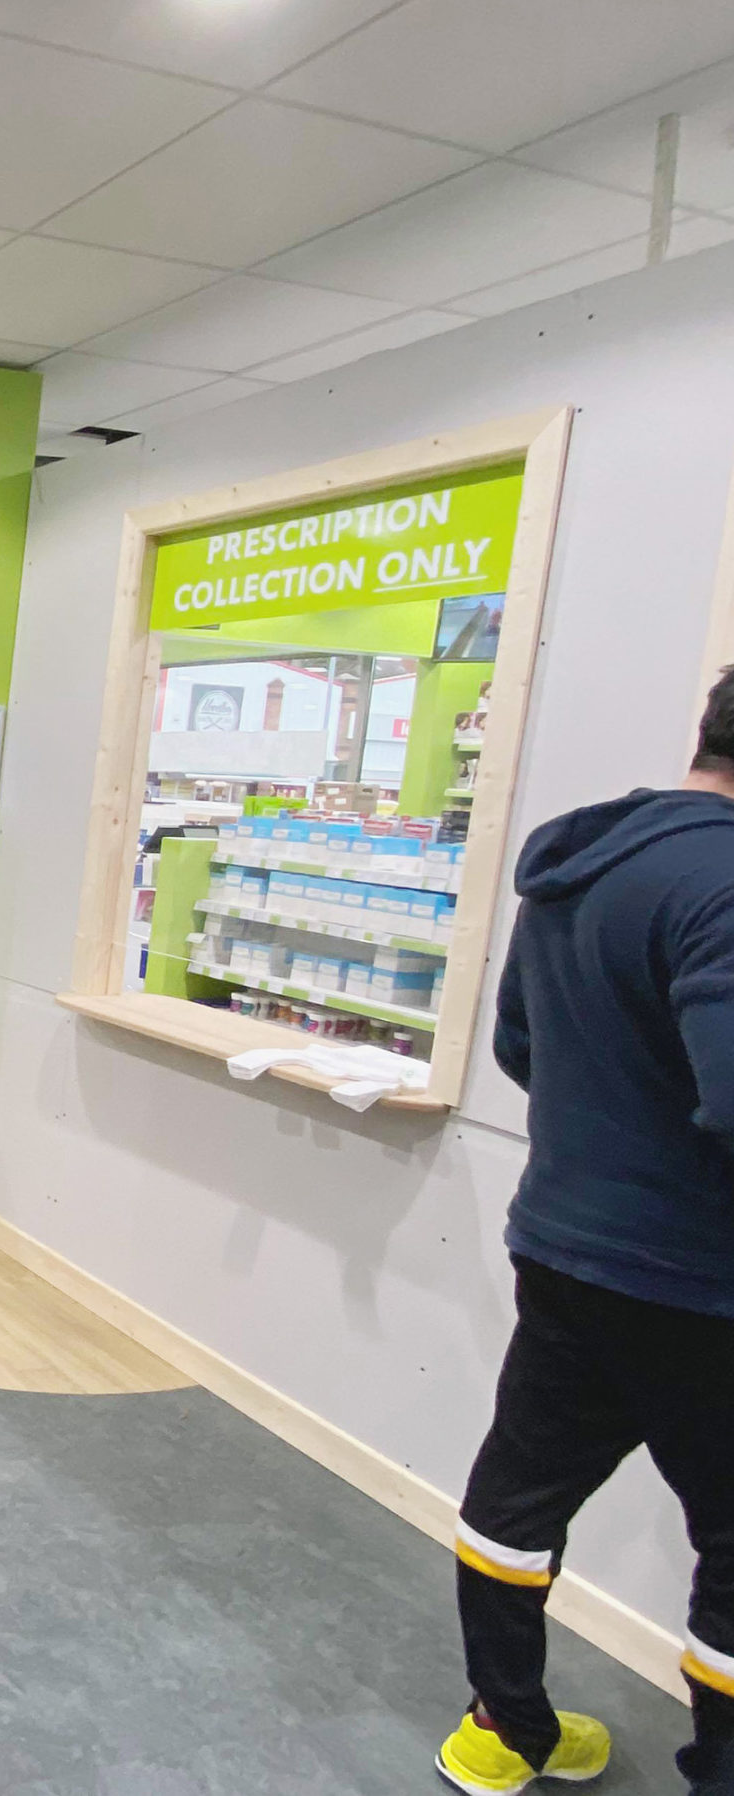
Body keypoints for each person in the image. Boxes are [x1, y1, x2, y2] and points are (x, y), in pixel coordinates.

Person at [436, 667, 734, 1796]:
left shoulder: (583, 862)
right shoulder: (724, 884)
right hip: (700, 1279)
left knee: (517, 1494)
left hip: (563, 1244)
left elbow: (522, 1049)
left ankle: (501, 1724)